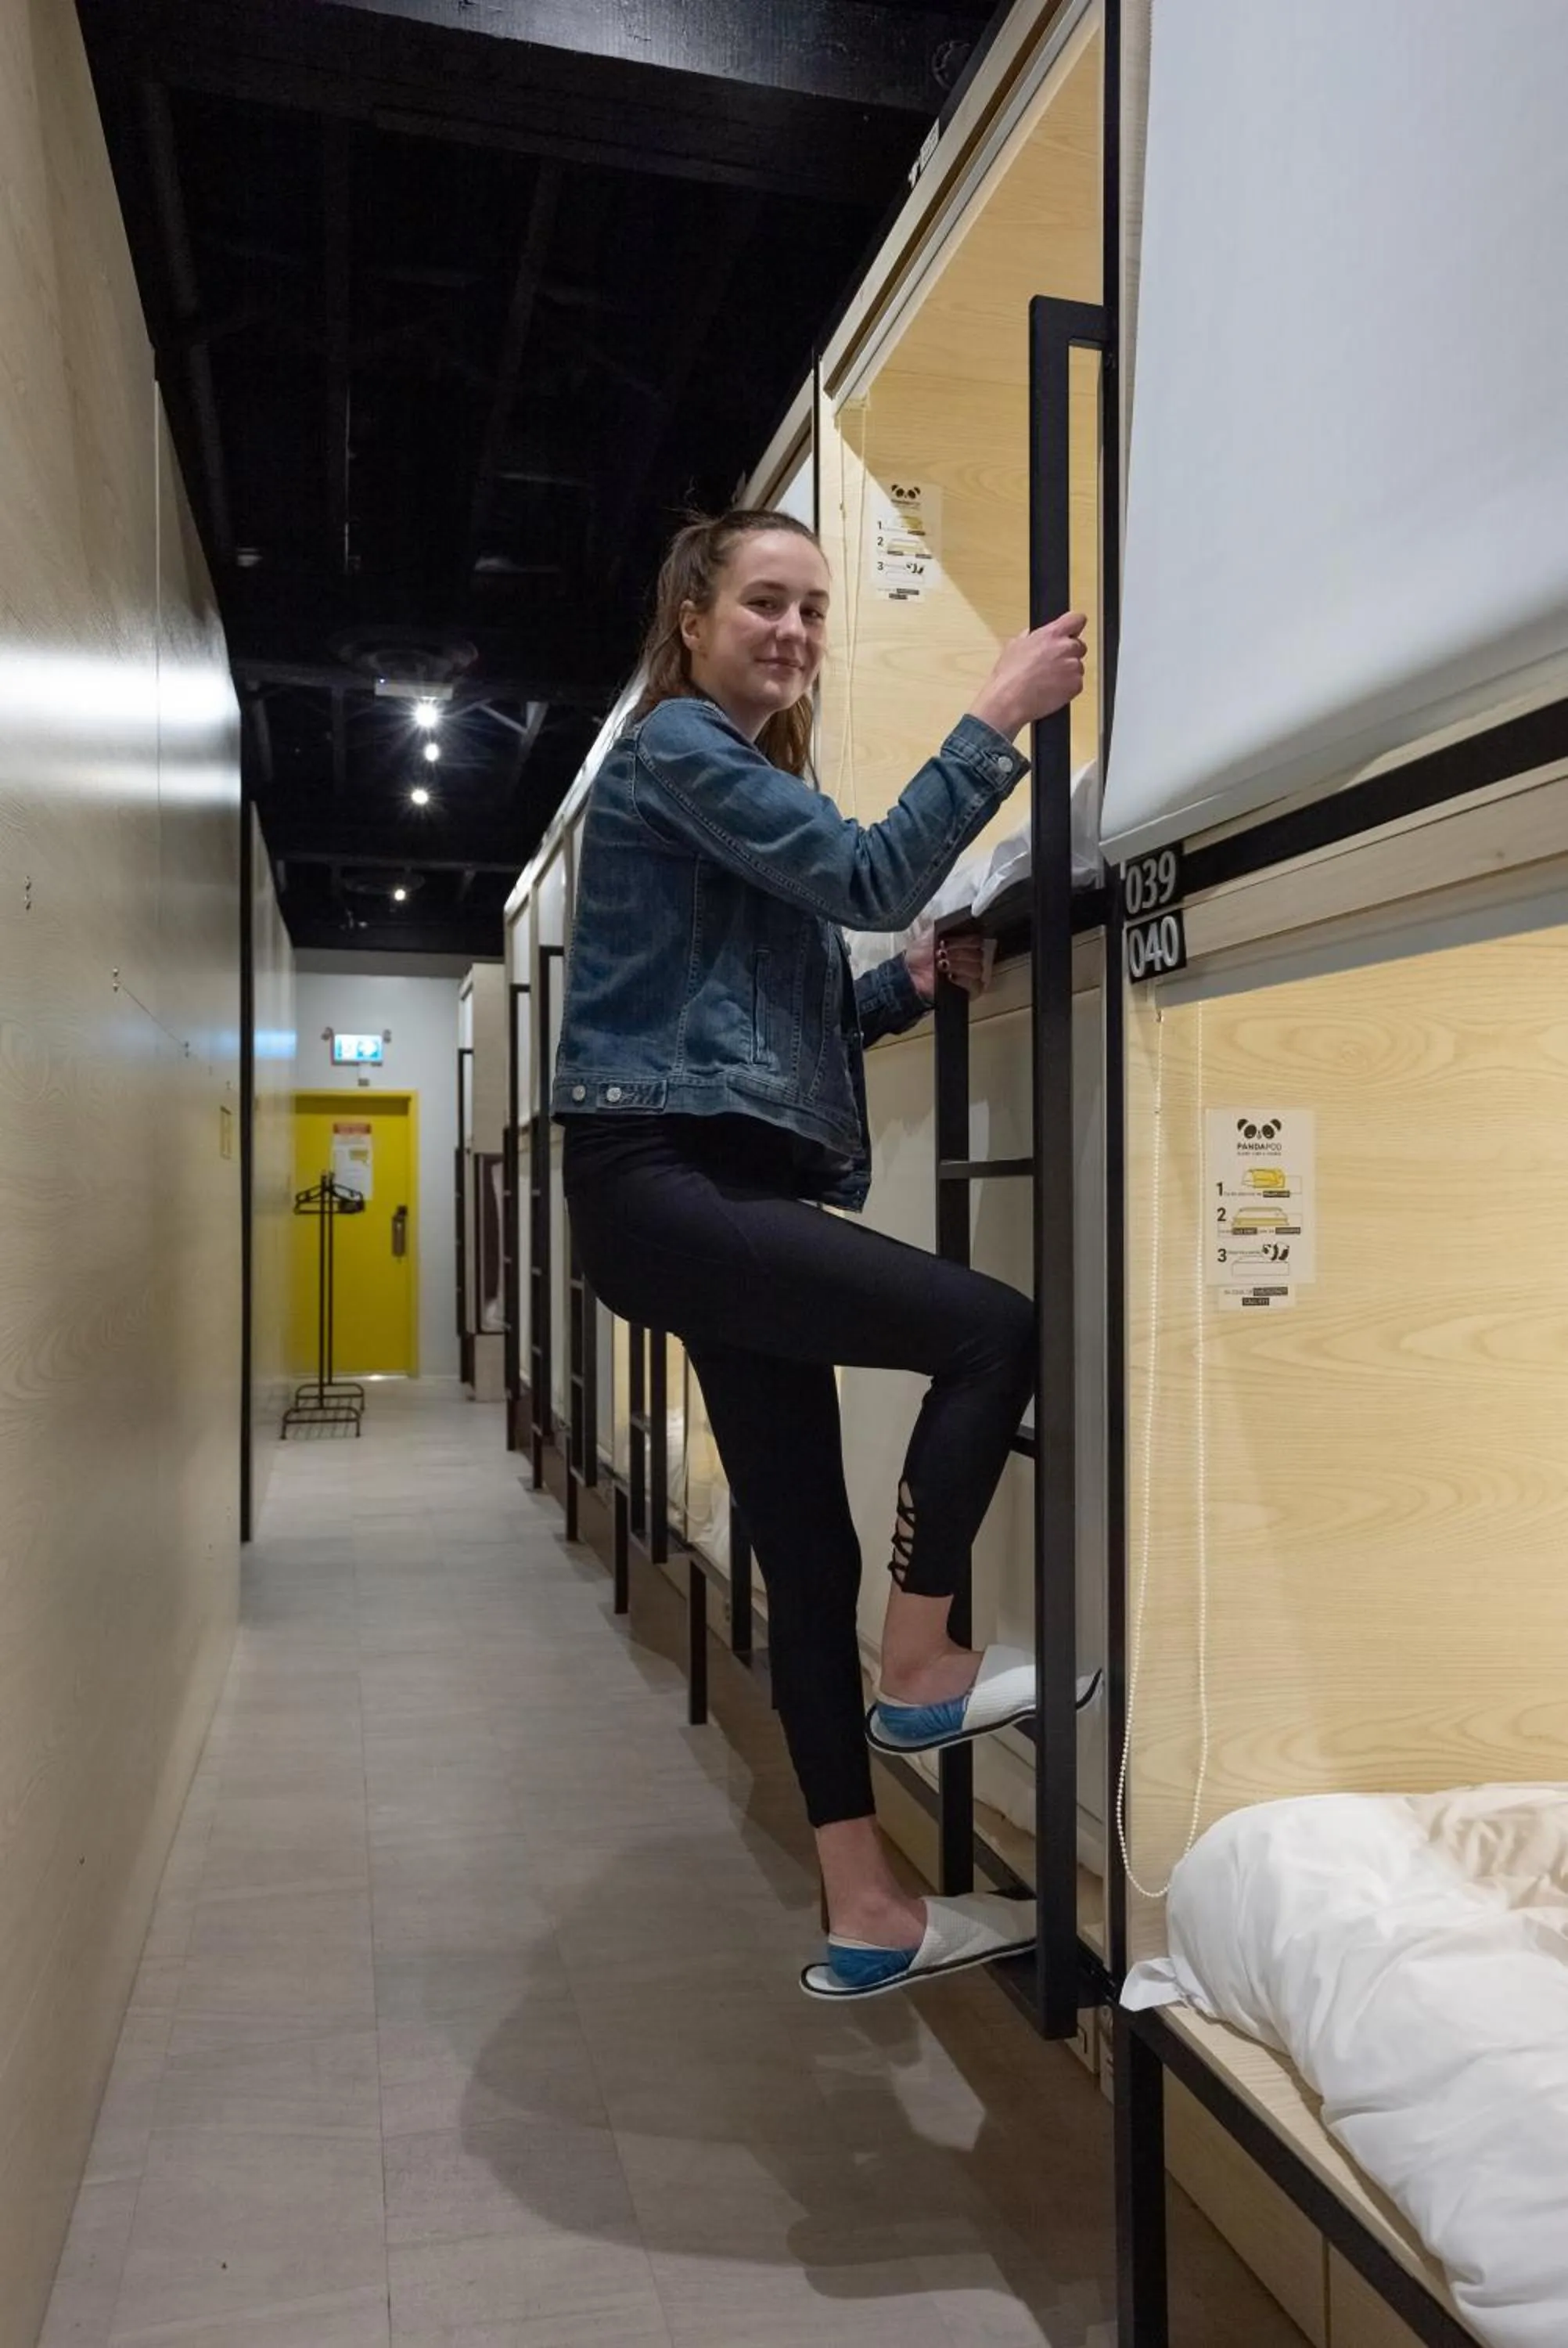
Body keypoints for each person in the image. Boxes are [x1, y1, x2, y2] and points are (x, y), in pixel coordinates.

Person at [553, 506, 1091, 2000]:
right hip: (668, 1183)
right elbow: (866, 873)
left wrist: (905, 989)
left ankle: (868, 1908)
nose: (792, 632)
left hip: (702, 1183)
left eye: (812, 610)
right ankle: (921, 1669)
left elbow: (780, 1023)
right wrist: (995, 717)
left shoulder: (723, 778)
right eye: (765, 604)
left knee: (807, 1552)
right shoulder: (677, 747)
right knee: (991, 1329)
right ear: (693, 619)